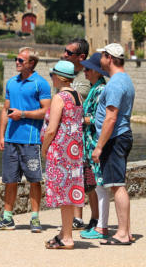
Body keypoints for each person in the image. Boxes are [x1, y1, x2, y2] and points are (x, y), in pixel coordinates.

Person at [0, 47, 51, 232]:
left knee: (34, 179)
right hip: (10, 139)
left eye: (20, 60)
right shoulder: (11, 83)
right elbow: (5, 110)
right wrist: (1, 135)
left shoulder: (41, 83)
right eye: (16, 59)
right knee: (10, 179)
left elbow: (46, 112)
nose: (16, 62)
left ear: (31, 63)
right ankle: (7, 218)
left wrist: (23, 114)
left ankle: (35, 218)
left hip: (31, 140)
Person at [92, 43, 134, 246]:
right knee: (117, 184)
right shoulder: (123, 79)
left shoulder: (116, 83)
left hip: (115, 138)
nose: (99, 59)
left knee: (117, 186)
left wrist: (99, 146)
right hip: (119, 137)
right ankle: (126, 230)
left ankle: (123, 233)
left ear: (109, 58)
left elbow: (111, 117)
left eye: (102, 55)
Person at [41, 60, 85, 249]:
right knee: (69, 192)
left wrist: (44, 149)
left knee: (63, 195)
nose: (51, 78)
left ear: (58, 77)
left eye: (52, 75)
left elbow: (51, 129)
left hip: (60, 151)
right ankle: (63, 233)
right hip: (74, 151)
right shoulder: (78, 96)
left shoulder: (59, 98)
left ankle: (67, 238)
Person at [79, 53, 111, 240]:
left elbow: (99, 119)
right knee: (97, 185)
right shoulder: (95, 88)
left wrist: (79, 120)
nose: (84, 71)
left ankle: (101, 227)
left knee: (99, 185)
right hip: (89, 142)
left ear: (97, 72)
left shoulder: (99, 91)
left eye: (88, 69)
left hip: (94, 142)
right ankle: (99, 224)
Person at [62, 38, 91, 229]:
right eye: (64, 51)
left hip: (83, 135)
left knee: (83, 176)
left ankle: (84, 217)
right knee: (72, 175)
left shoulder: (85, 78)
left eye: (69, 53)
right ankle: (75, 217)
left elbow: (73, 100)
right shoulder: (67, 75)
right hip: (68, 134)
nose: (64, 54)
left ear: (81, 57)